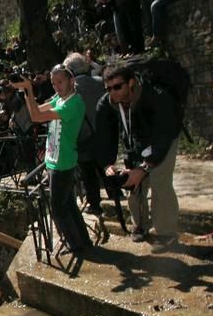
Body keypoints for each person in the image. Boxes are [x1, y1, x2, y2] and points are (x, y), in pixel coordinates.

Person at [96, 63, 183, 246]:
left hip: (164, 139)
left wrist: (145, 168)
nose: (113, 93)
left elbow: (163, 137)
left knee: (160, 182)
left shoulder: (157, 97)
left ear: (131, 83)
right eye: (109, 88)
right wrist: (107, 164)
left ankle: (166, 232)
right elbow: (104, 135)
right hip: (135, 141)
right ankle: (139, 226)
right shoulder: (107, 104)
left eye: (118, 87)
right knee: (132, 184)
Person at [16, 66, 91, 256]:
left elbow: (37, 116)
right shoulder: (61, 99)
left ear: (71, 81)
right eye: (53, 83)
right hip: (56, 159)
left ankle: (76, 245)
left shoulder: (72, 104)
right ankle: (83, 241)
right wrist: (26, 91)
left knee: (58, 209)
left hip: (63, 163)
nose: (56, 87)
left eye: (60, 82)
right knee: (68, 205)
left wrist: (29, 90)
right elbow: (35, 112)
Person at [65, 52, 106, 215]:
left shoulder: (72, 90)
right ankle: (117, 193)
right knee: (105, 166)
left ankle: (94, 204)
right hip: (103, 134)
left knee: (88, 172)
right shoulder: (99, 83)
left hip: (84, 136)